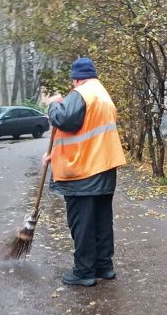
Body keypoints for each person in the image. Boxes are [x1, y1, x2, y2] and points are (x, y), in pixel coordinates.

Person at [45, 57, 126, 287]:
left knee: (82, 223)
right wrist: (54, 155)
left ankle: (84, 272)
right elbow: (87, 133)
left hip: (83, 172)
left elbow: (63, 119)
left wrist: (53, 103)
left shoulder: (81, 94)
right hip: (104, 168)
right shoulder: (103, 96)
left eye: (73, 81)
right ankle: (104, 266)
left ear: (77, 78)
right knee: (101, 220)